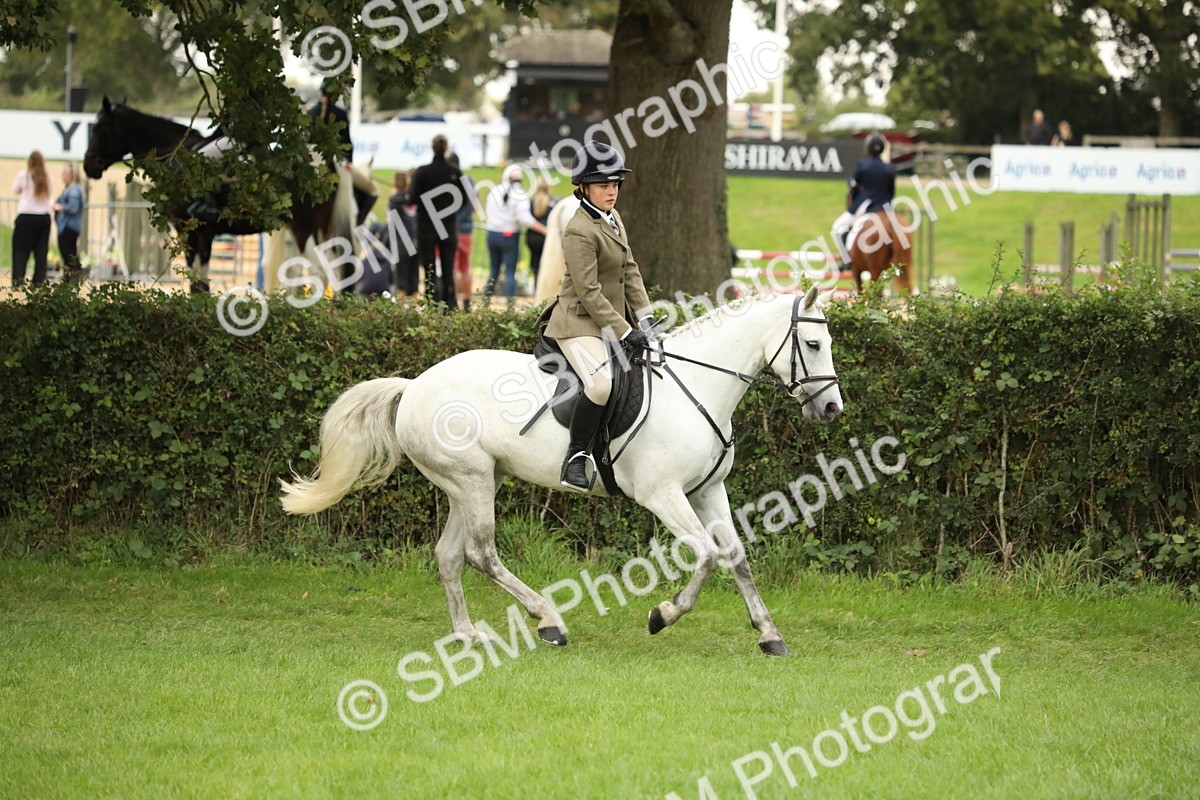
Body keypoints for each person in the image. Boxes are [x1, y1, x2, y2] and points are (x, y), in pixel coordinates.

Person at [544, 141, 653, 492]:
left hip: (605, 319)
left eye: (616, 183)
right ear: (584, 187)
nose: (612, 191)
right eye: (604, 184)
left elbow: (630, 270)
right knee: (601, 384)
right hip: (577, 321)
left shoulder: (613, 218)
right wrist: (624, 331)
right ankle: (576, 457)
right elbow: (589, 292)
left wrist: (647, 319)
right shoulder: (578, 230)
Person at [410, 135, 462, 308]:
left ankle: (431, 302)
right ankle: (450, 304)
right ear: (446, 148)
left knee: (429, 268)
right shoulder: (454, 171)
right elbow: (464, 199)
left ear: (431, 148)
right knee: (448, 269)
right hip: (448, 226)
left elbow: (414, 198)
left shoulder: (422, 171)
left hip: (426, 227)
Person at [483, 165, 547, 305]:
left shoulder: (494, 190)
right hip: (509, 235)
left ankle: (484, 301)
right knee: (510, 272)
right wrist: (544, 230)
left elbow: (487, 211)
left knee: (493, 270)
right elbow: (525, 219)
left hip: (492, 233)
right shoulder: (520, 195)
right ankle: (510, 306)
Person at [831, 133, 895, 262]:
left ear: (868, 149)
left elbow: (855, 187)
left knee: (837, 228)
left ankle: (847, 259)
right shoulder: (890, 168)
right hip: (886, 207)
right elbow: (891, 192)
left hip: (867, 204)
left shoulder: (862, 166)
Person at [11, 150, 53, 286]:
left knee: (20, 251)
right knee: (41, 253)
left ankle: (18, 281)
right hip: (43, 217)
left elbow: (15, 190)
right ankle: (38, 283)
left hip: (26, 216)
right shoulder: (47, 178)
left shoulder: (24, 176)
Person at [448, 153, 477, 311]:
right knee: (465, 267)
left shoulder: (448, 182)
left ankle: (453, 300)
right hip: (466, 229)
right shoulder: (470, 182)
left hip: (452, 229)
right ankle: (467, 301)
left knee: (452, 267)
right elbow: (475, 207)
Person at [387, 170, 420, 297]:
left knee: (401, 282)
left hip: (401, 243)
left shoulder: (393, 201)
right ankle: (416, 311)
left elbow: (390, 222)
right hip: (415, 242)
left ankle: (401, 314)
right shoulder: (412, 200)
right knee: (414, 281)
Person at [54, 163, 85, 283]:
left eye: (64, 173)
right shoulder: (69, 188)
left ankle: (74, 276)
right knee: (68, 253)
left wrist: (60, 207)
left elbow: (73, 207)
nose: (62, 176)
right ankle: (70, 276)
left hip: (69, 226)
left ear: (71, 175)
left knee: (69, 253)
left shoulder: (73, 190)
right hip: (67, 226)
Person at [307, 83, 352, 161]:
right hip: (334, 160)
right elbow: (346, 139)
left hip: (313, 158)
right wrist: (349, 160)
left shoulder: (311, 112)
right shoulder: (340, 113)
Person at [525, 179, 557, 286]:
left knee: (535, 264)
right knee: (546, 265)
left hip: (532, 239)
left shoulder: (531, 202)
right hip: (546, 238)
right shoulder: (552, 202)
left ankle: (535, 288)